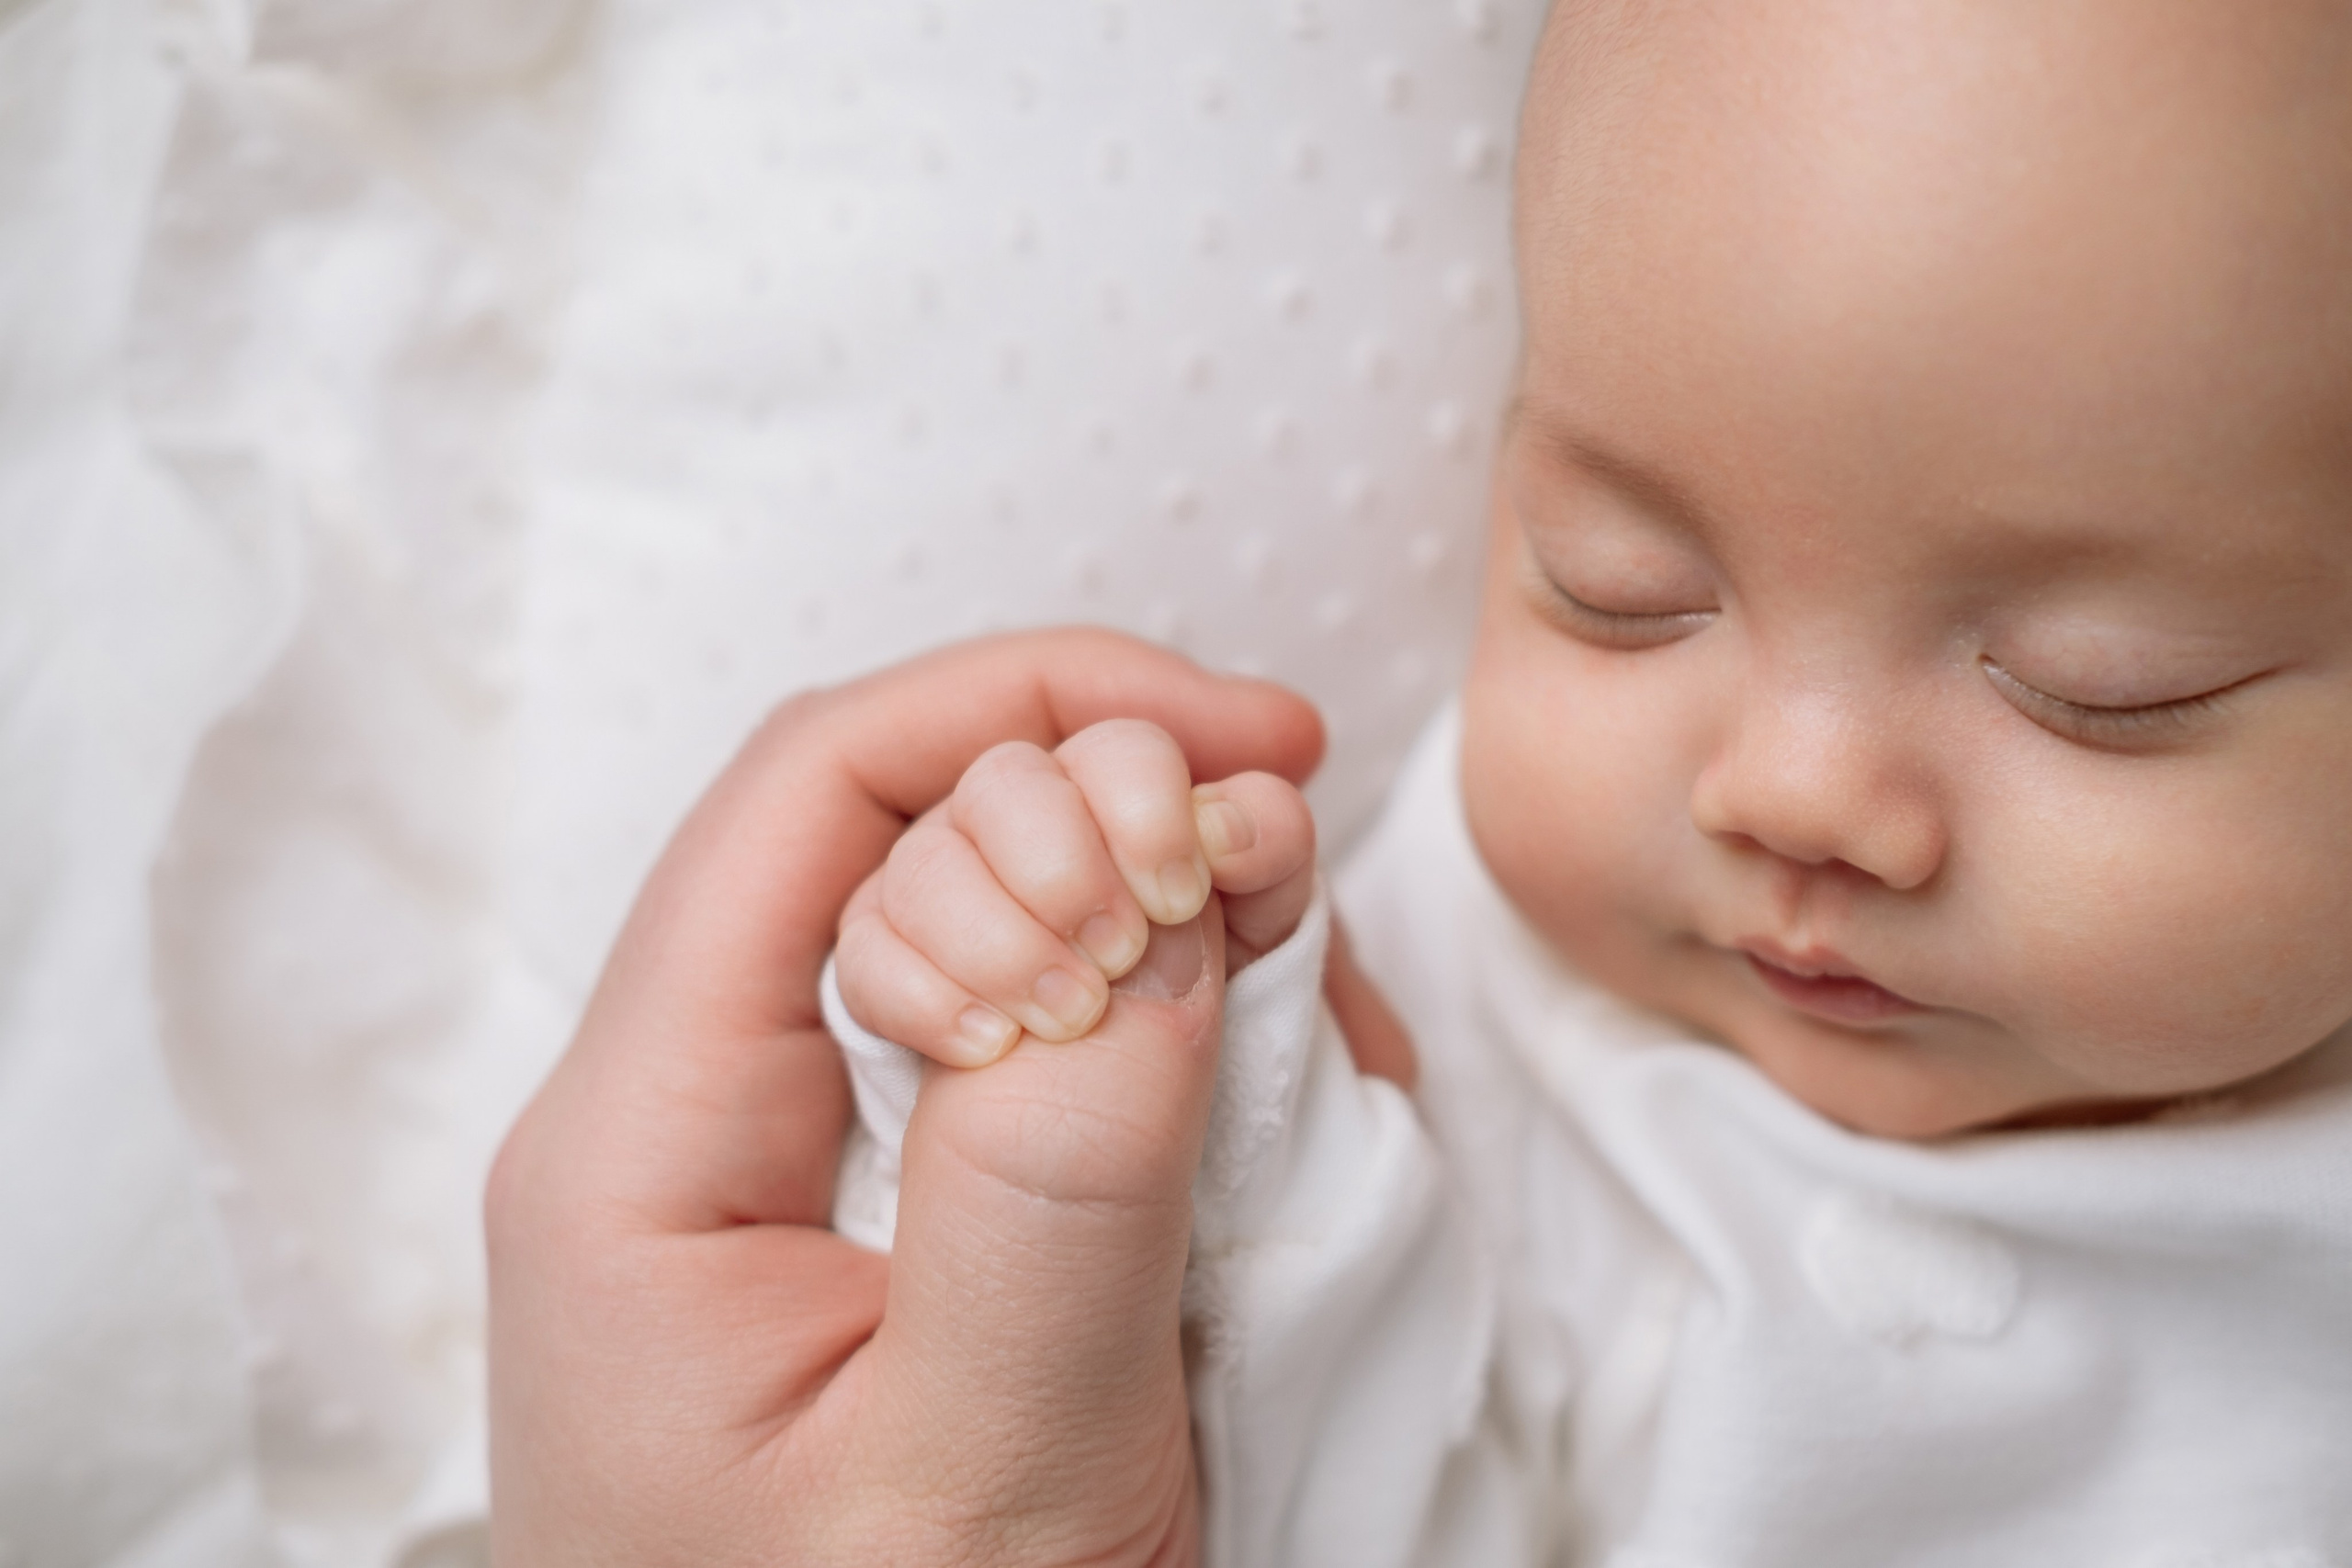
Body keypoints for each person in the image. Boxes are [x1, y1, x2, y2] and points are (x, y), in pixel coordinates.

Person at [484, 0, 2352, 1562]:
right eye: (1614, 590)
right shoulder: (1501, 1021)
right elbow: (1247, 1436)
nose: (1789, 790)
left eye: (2097, 691)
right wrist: (1071, 1054)